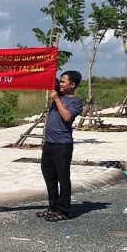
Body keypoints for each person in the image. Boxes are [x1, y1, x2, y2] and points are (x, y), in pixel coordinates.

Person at [38, 70, 83, 222]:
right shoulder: (58, 92)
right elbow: (49, 79)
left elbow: (67, 117)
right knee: (49, 176)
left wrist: (57, 100)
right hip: (49, 143)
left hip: (62, 145)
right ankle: (52, 207)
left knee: (62, 178)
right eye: (61, 81)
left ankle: (63, 211)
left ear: (73, 84)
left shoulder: (75, 101)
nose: (61, 84)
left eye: (64, 82)